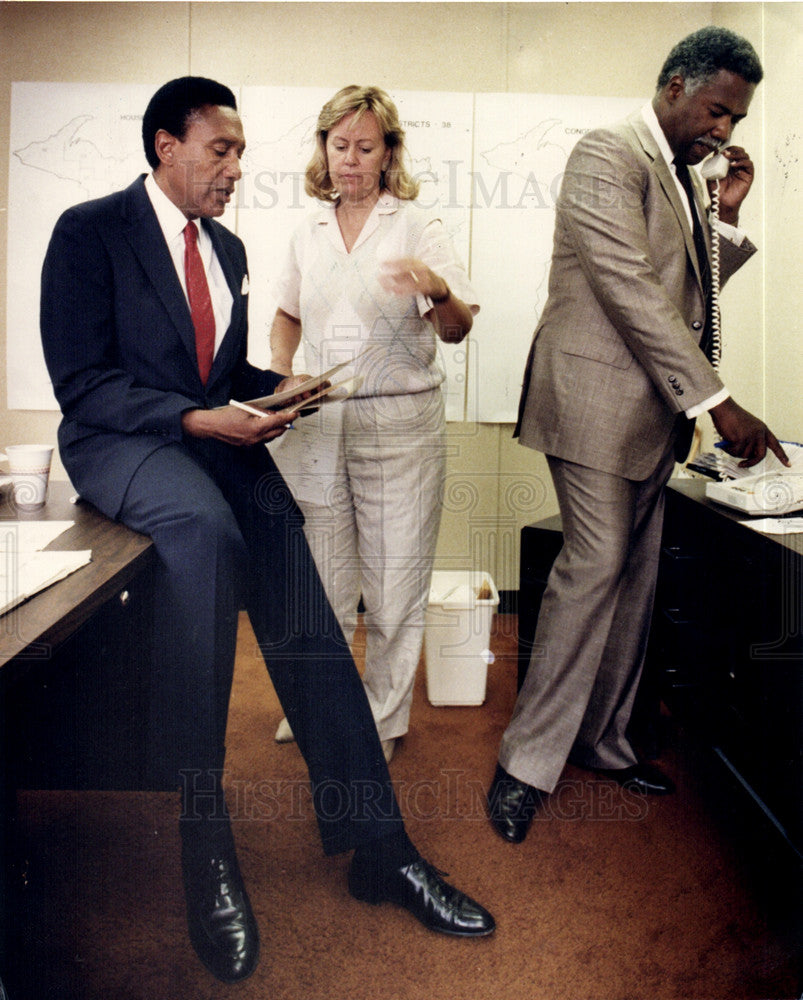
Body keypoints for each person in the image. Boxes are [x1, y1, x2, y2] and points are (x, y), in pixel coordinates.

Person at [39, 77, 494, 985]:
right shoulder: (89, 231)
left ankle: (379, 844)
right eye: (221, 151)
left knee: (298, 588)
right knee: (208, 537)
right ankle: (203, 842)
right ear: (166, 146)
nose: (237, 170)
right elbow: (83, 381)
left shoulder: (232, 249)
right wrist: (202, 421)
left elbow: (214, 371)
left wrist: (274, 390)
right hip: (120, 442)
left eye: (242, 152)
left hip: (208, 435)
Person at [487, 27, 790, 844]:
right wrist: (716, 403)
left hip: (648, 414)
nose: (724, 132)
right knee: (593, 569)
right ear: (675, 86)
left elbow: (689, 295)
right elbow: (629, 288)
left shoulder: (686, 178)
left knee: (633, 578)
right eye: (718, 111)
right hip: (590, 401)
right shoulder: (608, 152)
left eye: (734, 119)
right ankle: (523, 764)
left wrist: (723, 218)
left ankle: (601, 740)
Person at [269, 86, 477, 763]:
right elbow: (287, 313)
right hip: (320, 422)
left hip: (400, 426)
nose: (350, 161)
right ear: (322, 150)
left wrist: (437, 287)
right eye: (339, 147)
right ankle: (320, 712)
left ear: (389, 154)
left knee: (393, 590)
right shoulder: (307, 230)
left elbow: (455, 329)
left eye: (365, 148)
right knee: (322, 588)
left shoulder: (417, 226)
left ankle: (381, 723)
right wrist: (280, 370)